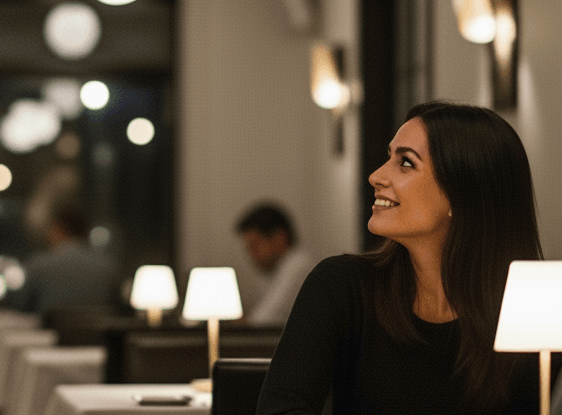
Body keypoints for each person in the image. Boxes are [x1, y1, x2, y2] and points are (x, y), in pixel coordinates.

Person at [258, 101, 558, 415]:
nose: (375, 176)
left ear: (460, 194)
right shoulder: (341, 286)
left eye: (406, 163)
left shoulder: (532, 311)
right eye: (389, 157)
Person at [15, 203, 121, 314]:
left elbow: (21, 307)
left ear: (57, 229)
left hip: (48, 330)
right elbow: (117, 306)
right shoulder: (108, 265)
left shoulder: (38, 264)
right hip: (97, 331)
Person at [235, 201, 313, 326]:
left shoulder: (297, 268)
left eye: (254, 245)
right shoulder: (277, 269)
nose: (250, 254)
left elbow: (263, 322)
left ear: (279, 238)